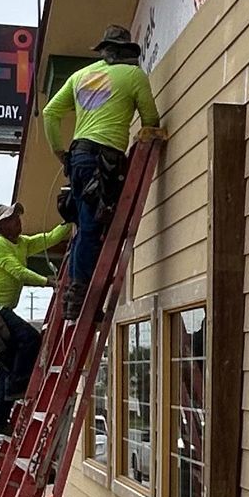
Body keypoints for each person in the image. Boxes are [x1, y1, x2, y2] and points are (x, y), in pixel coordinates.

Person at [42, 24, 165, 318]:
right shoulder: (133, 75)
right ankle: (81, 298)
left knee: (85, 226)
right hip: (105, 159)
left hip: (79, 156)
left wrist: (61, 153)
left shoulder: (80, 77)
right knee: (95, 227)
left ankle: (75, 295)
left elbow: (49, 113)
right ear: (123, 52)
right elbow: (151, 118)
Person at [0, 202, 72, 434]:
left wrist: (69, 221)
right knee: (30, 339)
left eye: (18, 216)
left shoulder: (22, 243)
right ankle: (19, 386)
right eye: (11, 219)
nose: (18, 221)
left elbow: (48, 238)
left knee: (8, 366)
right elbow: (17, 271)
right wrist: (48, 282)